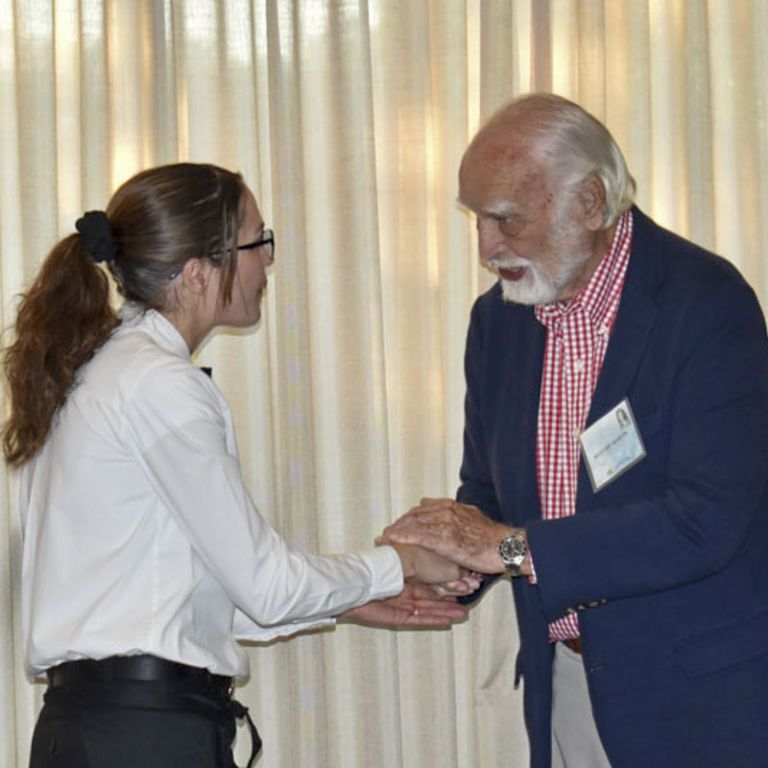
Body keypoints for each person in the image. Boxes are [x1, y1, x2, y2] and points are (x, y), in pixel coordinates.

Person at [4, 163, 475, 768]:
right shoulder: (158, 386)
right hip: (147, 737)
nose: (267, 261)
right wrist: (401, 562)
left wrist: (344, 599)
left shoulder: (98, 368)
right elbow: (266, 585)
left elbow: (169, 587)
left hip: (99, 729)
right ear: (198, 273)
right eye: (258, 242)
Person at [379, 94, 768, 767]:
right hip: (567, 686)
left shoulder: (706, 303)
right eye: (477, 220)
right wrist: (443, 562)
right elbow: (489, 492)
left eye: (505, 220)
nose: (486, 248)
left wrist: (502, 548)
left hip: (700, 702)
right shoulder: (498, 321)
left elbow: (705, 519)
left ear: (589, 202)